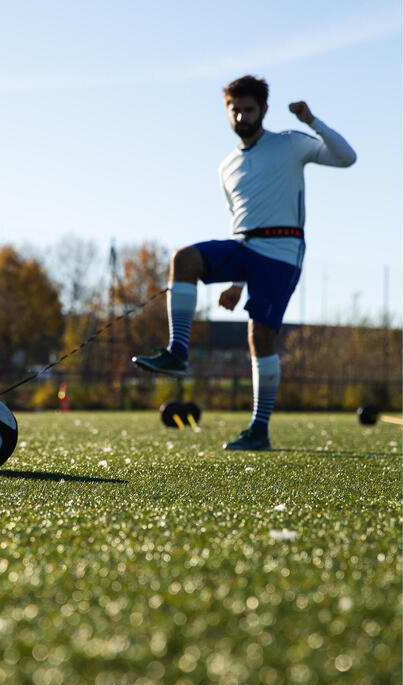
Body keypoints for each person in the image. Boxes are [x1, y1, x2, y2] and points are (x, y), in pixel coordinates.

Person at [132, 75, 356, 451]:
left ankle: (259, 430)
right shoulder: (226, 167)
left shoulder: (290, 144)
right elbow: (240, 225)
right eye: (234, 109)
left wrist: (312, 122)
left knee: (260, 337)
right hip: (245, 248)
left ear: (263, 110)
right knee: (184, 260)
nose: (240, 116)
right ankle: (178, 352)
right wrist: (236, 281)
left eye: (248, 109)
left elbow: (346, 158)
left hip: (283, 251)